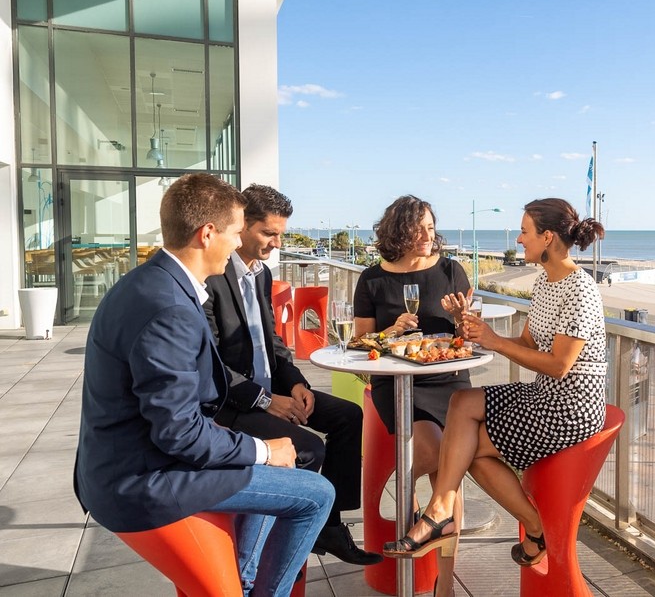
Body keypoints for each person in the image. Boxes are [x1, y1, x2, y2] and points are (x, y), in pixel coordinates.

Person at [74, 173, 334, 595]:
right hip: (145, 479)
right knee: (316, 494)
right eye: (235, 233)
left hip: (128, 461)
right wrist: (265, 451)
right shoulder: (170, 308)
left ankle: (244, 577)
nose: (236, 245)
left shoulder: (149, 283)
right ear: (207, 234)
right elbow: (179, 433)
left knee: (284, 465)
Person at [383, 198, 607, 588]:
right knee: (461, 405)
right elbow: (525, 341)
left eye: (525, 231)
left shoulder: (579, 289)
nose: (519, 240)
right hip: (545, 395)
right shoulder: (546, 280)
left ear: (547, 237)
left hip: (570, 407)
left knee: (465, 445)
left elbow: (559, 364)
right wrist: (479, 335)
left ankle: (446, 514)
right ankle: (470, 516)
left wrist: (495, 343)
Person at [203, 184, 380, 566]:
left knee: (348, 416)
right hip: (234, 403)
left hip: (272, 392)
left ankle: (329, 527)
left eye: (280, 234)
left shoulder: (262, 275)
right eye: (269, 233)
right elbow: (211, 363)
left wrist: (297, 384)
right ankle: (277, 547)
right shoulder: (212, 277)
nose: (276, 243)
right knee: (308, 448)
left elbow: (274, 345)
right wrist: (266, 401)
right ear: (242, 225)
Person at [353, 195, 474, 595]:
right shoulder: (372, 279)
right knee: (444, 459)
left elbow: (466, 336)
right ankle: (419, 514)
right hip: (396, 383)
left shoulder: (452, 270)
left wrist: (461, 321)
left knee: (446, 470)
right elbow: (359, 340)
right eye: (418, 228)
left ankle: (444, 581)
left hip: (448, 378)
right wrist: (391, 333)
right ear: (398, 231)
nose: (428, 235)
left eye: (431, 227)